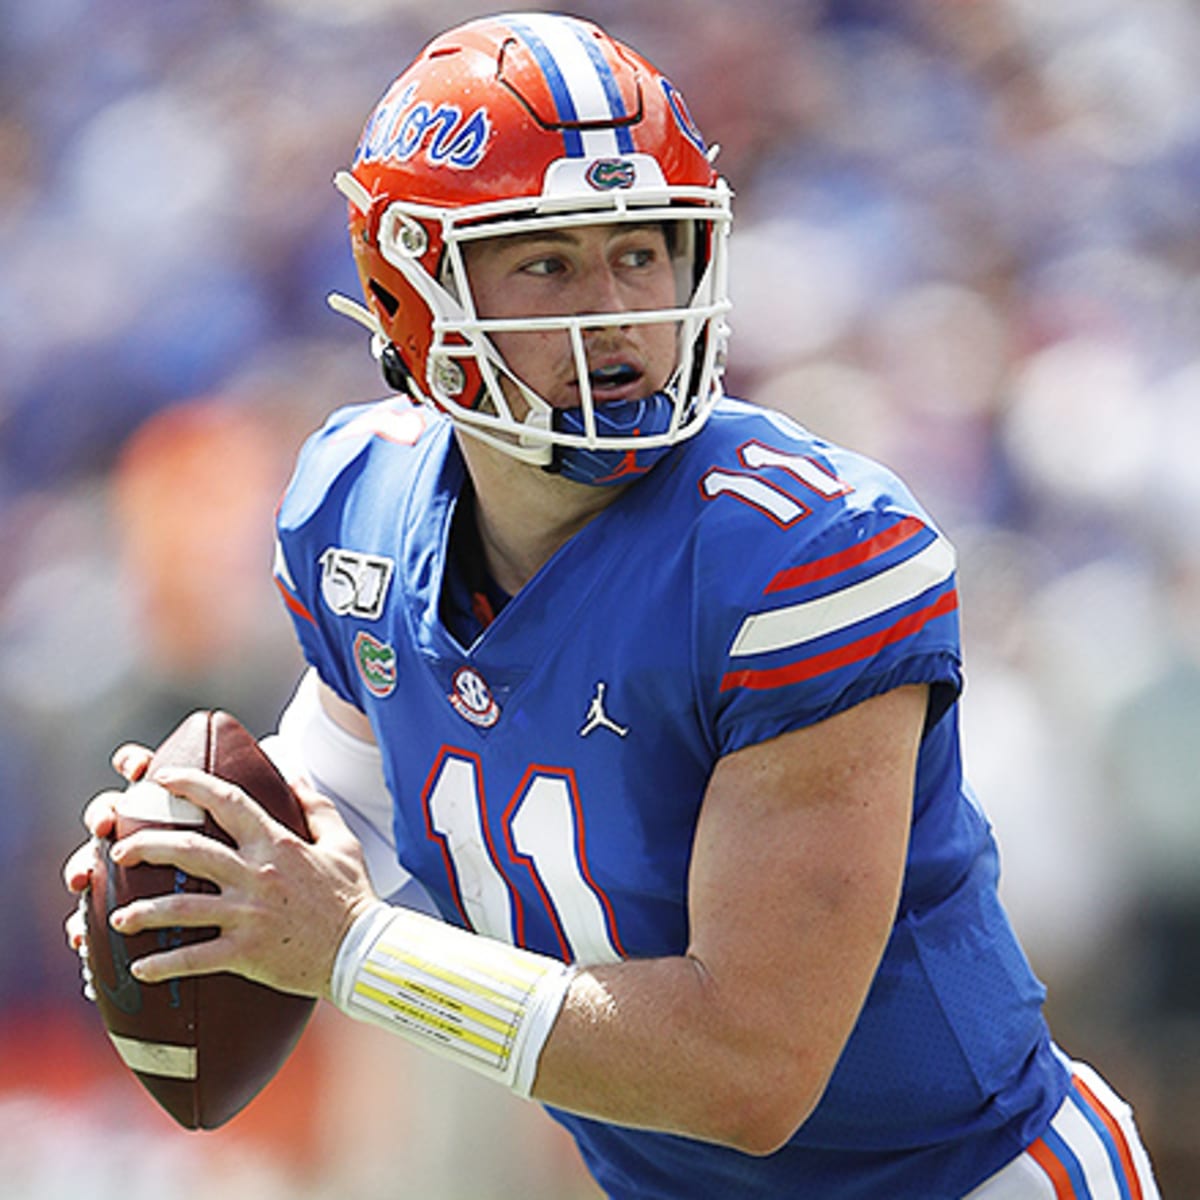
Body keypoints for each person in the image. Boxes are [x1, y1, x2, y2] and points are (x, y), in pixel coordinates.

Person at [64, 13, 1161, 1199]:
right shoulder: (358, 503)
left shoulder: (803, 553)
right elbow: (357, 808)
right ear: (408, 287)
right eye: (547, 262)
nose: (616, 313)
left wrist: (347, 950)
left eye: (644, 252)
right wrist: (202, 872)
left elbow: (748, 1070)